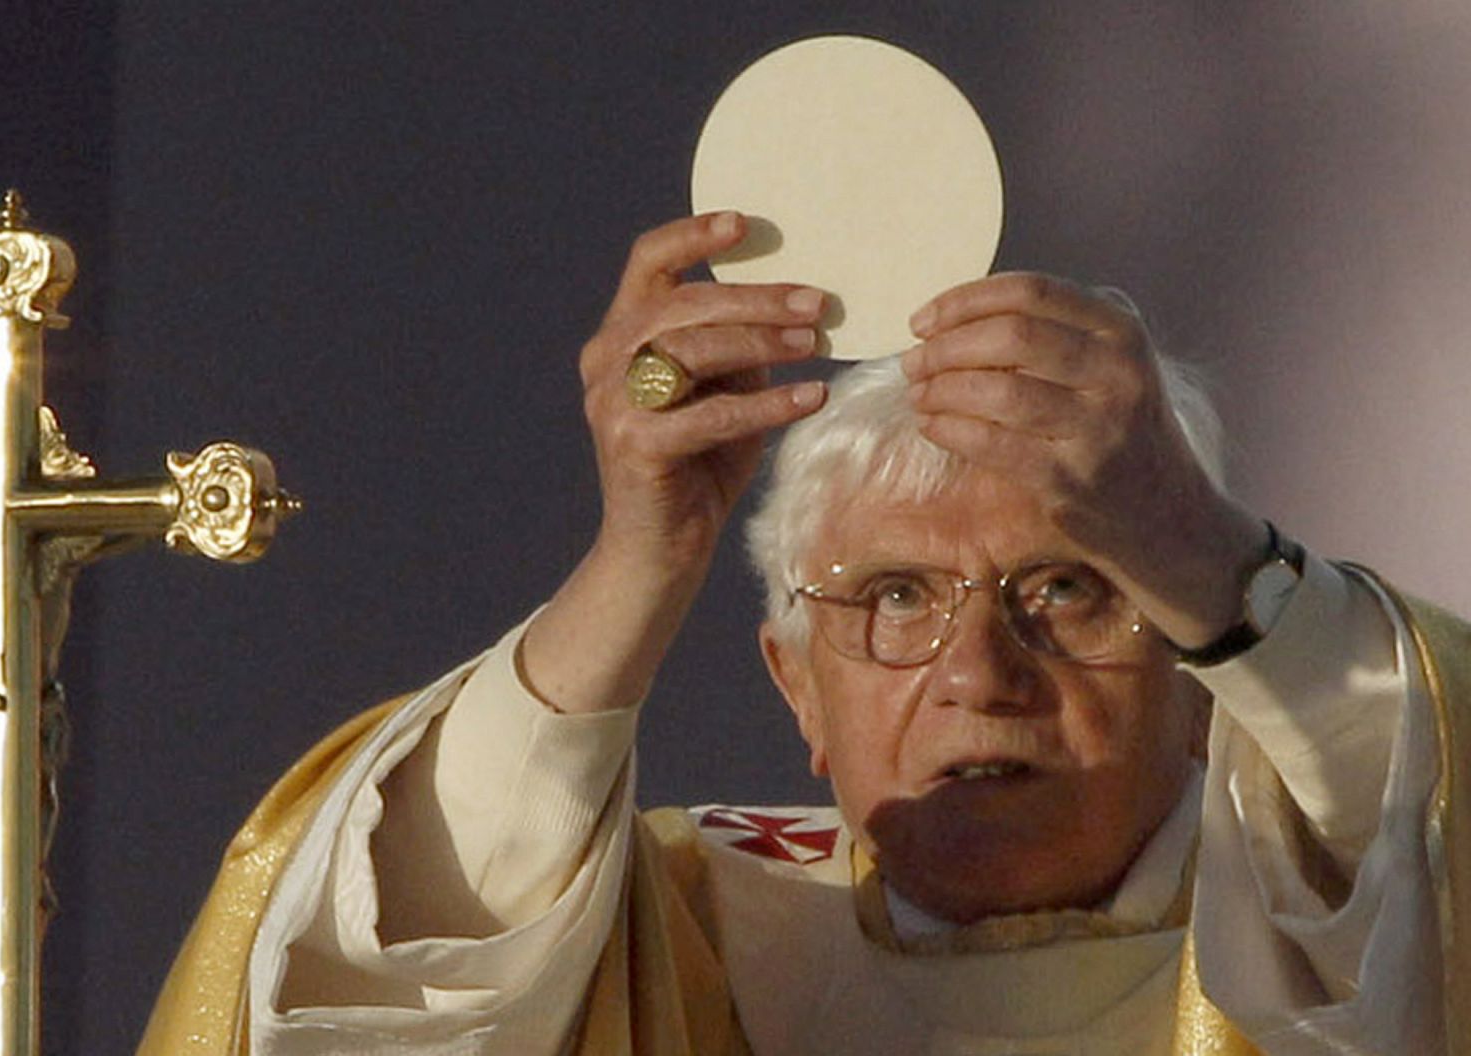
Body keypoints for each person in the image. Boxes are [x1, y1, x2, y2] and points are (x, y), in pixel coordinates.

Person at [141, 213, 1470, 1056]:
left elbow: (1423, 803)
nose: (977, 674)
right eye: (894, 597)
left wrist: (1188, 538)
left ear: (1199, 686)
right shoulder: (683, 928)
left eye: (1068, 591)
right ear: (796, 688)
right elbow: (360, 990)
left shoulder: (1328, 929)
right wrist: (641, 557)